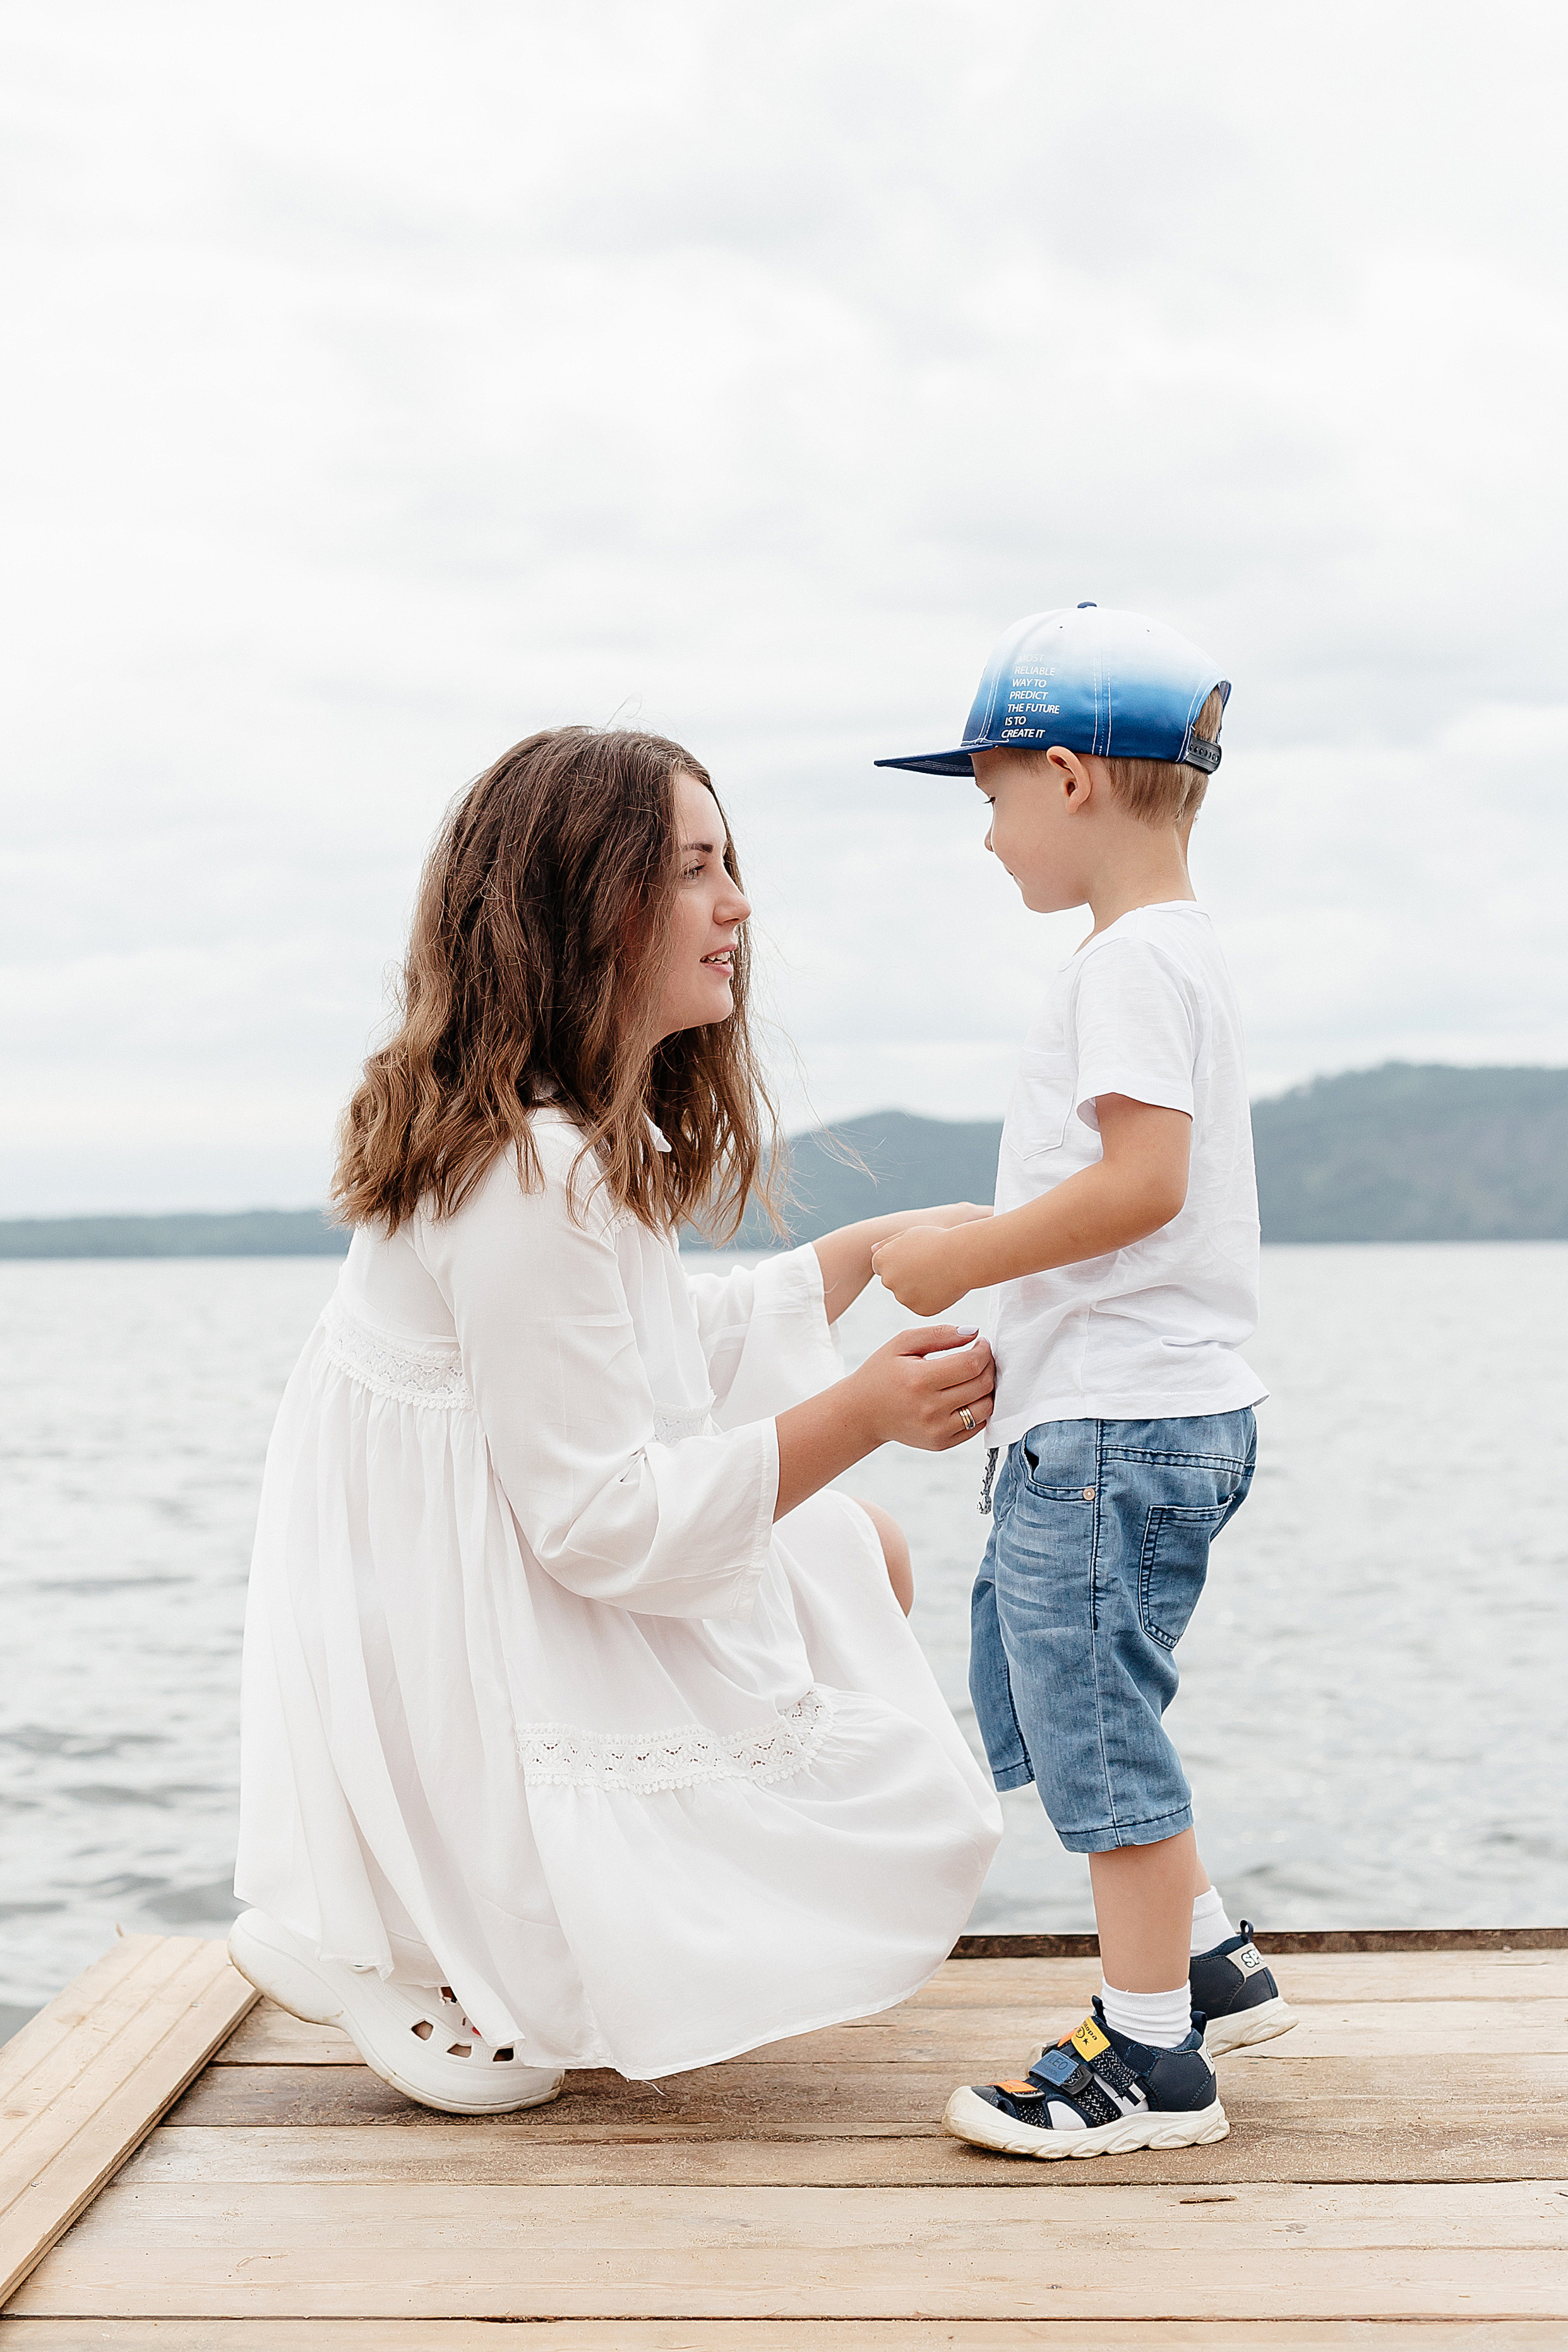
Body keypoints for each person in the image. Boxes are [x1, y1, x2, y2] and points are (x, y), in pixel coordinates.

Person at [229, 724, 1002, 2113]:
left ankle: (448, 1927)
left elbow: (635, 1353)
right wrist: (868, 1410)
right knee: (849, 1559)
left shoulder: (568, 1139)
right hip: (457, 1615)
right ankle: (415, 1938)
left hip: (473, 1570)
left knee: (849, 1556)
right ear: (596, 907)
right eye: (698, 870)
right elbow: (598, 1520)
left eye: (729, 865)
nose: (739, 906)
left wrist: (856, 1256)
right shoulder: (534, 1175)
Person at [871, 604, 1294, 2161]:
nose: (986, 838)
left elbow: (1141, 1186)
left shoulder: (1123, 965)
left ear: (1068, 780)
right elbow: (1128, 1203)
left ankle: (1152, 2058)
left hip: (1119, 1423)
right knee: (1036, 1695)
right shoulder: (1172, 954)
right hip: (1126, 1407)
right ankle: (1209, 1956)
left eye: (987, 798)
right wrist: (1012, 1292)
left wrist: (972, 1260)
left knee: (1100, 1737)